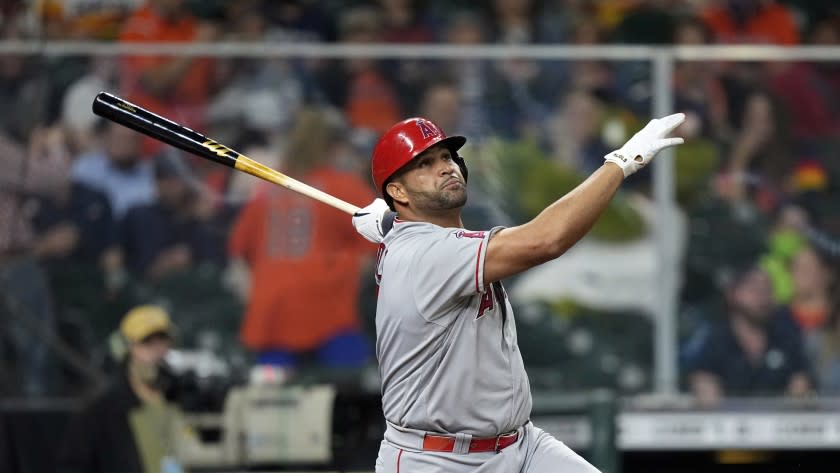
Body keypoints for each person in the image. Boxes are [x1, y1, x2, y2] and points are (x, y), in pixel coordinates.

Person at [350, 114, 685, 472]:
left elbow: (436, 240)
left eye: (446, 157)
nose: (445, 168)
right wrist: (621, 163)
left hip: (520, 445)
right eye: (425, 164)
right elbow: (545, 240)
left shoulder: (416, 239)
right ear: (397, 192)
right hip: (438, 459)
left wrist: (394, 222)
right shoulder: (424, 254)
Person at [228, 107, 376, 374]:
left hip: (271, 313)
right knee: (353, 390)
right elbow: (379, 244)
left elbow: (239, 252)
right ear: (334, 147)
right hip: (327, 309)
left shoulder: (268, 188)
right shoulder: (345, 186)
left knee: (272, 404)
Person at [58, 304, 194, 473]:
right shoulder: (99, 413)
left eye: (162, 341)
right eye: (146, 343)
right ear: (125, 349)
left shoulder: (186, 401)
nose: (157, 352)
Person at [682, 260, 813, 406]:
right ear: (732, 294)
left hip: (778, 423)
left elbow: (800, 387)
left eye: (767, 289)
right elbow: (705, 387)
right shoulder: (714, 340)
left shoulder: (786, 337)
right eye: (754, 289)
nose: (762, 296)